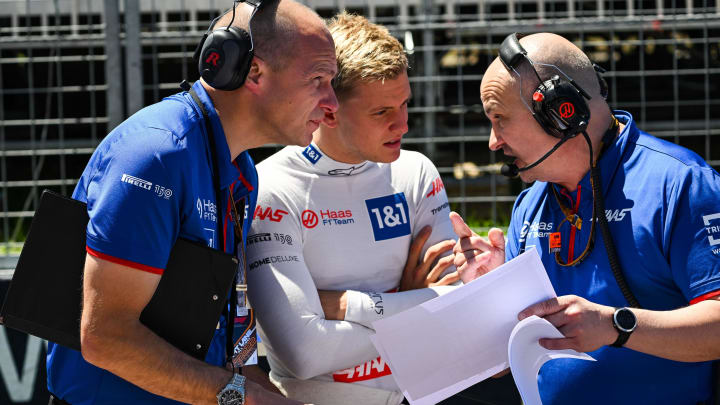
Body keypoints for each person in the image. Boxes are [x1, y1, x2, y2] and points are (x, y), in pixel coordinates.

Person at [45, 1, 339, 404]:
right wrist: (244, 398)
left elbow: (235, 354)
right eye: (318, 79)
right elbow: (105, 338)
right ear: (253, 72)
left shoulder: (242, 171)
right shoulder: (156, 157)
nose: (332, 102)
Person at [451, 32, 720, 404]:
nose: (493, 141)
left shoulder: (681, 184)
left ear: (562, 112)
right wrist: (491, 299)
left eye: (500, 119)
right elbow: (505, 364)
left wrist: (615, 326)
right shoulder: (530, 204)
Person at [245, 13, 469, 405]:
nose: (402, 125)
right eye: (382, 112)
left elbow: (457, 308)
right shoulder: (270, 189)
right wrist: (415, 307)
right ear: (328, 109)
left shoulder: (415, 172)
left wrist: (348, 306)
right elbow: (306, 354)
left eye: (404, 105)